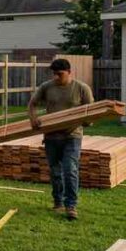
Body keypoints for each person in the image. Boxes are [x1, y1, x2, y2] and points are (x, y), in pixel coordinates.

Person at [28, 58, 94, 221]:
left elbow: (90, 112)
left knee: (70, 169)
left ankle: (71, 205)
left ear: (69, 72)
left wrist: (87, 121)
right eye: (54, 74)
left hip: (72, 135)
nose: (56, 77)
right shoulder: (46, 87)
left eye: (60, 74)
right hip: (51, 136)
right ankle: (58, 201)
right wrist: (33, 119)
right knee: (55, 171)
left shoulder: (81, 88)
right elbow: (32, 104)